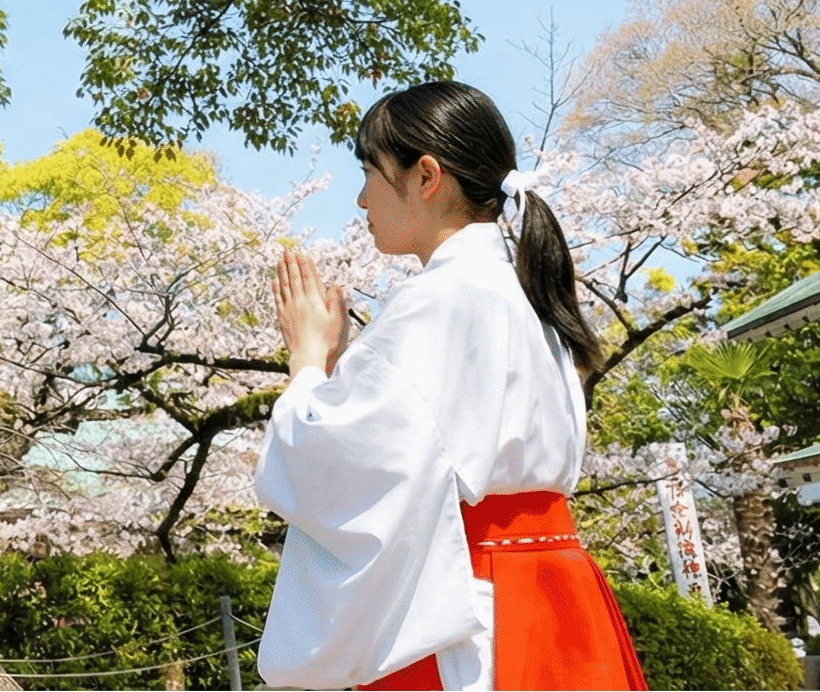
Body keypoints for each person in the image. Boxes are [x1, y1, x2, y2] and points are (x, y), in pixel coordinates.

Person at [253, 81, 647, 691]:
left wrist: (306, 360)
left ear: (425, 176)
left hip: (479, 599)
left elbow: (331, 463)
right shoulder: (526, 295)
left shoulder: (439, 298)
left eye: (370, 173)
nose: (361, 201)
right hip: (556, 585)